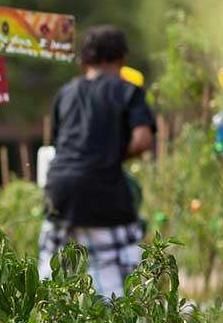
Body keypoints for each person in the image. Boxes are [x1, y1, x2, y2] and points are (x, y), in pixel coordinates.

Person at [38, 25, 155, 298]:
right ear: (123, 59)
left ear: (81, 62)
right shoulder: (129, 91)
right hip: (104, 194)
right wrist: (113, 155)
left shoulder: (65, 94)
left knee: (56, 277)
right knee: (119, 288)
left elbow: (61, 144)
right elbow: (142, 140)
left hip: (59, 192)